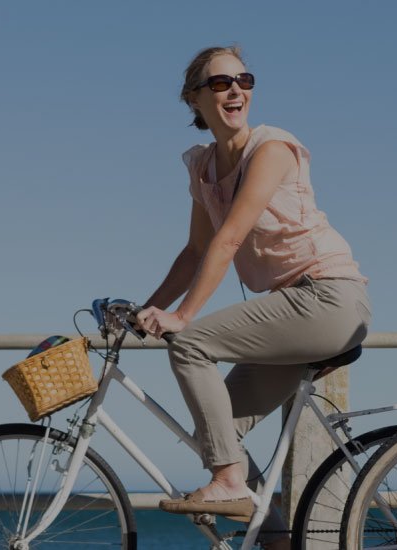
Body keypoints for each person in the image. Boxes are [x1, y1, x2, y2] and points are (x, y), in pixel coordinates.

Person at [137, 45, 370, 547]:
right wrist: (146, 308)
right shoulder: (203, 167)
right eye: (220, 83)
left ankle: (228, 483)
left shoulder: (271, 148)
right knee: (215, 432)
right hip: (290, 312)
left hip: (327, 299)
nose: (236, 89)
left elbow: (229, 239)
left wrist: (183, 317)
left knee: (192, 345)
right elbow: (196, 249)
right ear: (193, 99)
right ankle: (278, 540)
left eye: (244, 79)